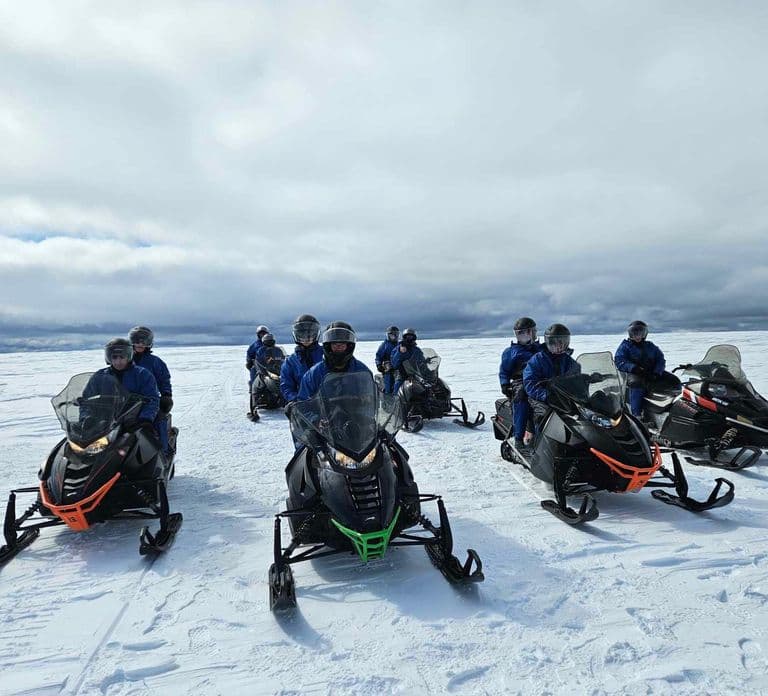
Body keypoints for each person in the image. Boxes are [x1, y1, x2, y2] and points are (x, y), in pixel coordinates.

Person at [83, 338, 159, 436]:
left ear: (128, 357)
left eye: (122, 357)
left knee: (150, 441)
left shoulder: (142, 374)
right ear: (109, 358)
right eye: (114, 357)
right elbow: (86, 399)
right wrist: (87, 417)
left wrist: (145, 418)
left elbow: (152, 399)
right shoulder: (100, 376)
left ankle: (165, 449)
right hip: (105, 423)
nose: (118, 361)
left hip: (134, 422)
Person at [523, 323, 580, 437]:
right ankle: (537, 444)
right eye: (555, 343)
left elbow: (577, 379)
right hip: (540, 397)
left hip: (562, 396)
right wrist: (546, 395)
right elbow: (530, 384)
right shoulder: (538, 359)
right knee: (545, 415)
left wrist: (589, 380)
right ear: (548, 342)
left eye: (562, 342)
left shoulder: (569, 361)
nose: (559, 346)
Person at [297, 321, 372, 400]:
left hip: (355, 411)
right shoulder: (313, 374)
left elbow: (370, 398)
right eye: (335, 344)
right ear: (328, 346)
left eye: (342, 344)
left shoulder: (362, 371)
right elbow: (304, 402)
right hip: (322, 412)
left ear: (349, 346)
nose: (338, 347)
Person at [129, 326, 173, 455]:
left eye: (144, 341)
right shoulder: (124, 360)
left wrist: (166, 395)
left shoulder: (155, 362)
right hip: (126, 401)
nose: (140, 344)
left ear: (149, 343)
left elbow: (164, 379)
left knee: (159, 420)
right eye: (137, 340)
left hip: (148, 401)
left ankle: (163, 453)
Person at [498, 317, 541, 448]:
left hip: (542, 381)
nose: (524, 336)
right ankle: (518, 439)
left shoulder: (542, 349)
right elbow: (504, 370)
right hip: (520, 382)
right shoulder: (511, 352)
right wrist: (504, 384)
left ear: (534, 332)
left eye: (527, 332)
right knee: (522, 400)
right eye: (520, 333)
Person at [614, 320, 666, 419]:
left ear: (644, 334)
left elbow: (660, 360)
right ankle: (636, 415)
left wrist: (657, 372)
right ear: (630, 334)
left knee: (672, 380)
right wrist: (634, 368)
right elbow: (619, 361)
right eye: (634, 334)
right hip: (632, 373)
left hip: (650, 372)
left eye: (640, 333)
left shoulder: (650, 346)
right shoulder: (625, 346)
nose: (637, 336)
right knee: (637, 383)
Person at [280, 314, 324, 409]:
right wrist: (296, 400)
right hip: (304, 406)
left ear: (316, 334)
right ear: (296, 335)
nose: (306, 338)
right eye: (302, 334)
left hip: (329, 404)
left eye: (310, 334)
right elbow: (286, 386)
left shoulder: (327, 354)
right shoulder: (290, 362)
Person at [390, 328, 427, 394]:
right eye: (407, 336)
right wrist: (400, 352)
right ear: (404, 337)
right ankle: (395, 402)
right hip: (402, 374)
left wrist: (426, 364)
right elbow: (394, 363)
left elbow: (422, 361)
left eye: (411, 336)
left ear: (414, 337)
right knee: (397, 389)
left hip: (416, 374)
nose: (409, 338)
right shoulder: (397, 349)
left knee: (428, 387)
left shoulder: (417, 350)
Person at [375, 325, 400, 394]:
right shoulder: (384, 345)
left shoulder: (400, 345)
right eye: (393, 335)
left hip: (399, 369)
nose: (395, 336)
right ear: (388, 335)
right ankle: (387, 399)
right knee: (389, 387)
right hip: (388, 369)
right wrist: (379, 365)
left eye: (396, 334)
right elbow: (378, 356)